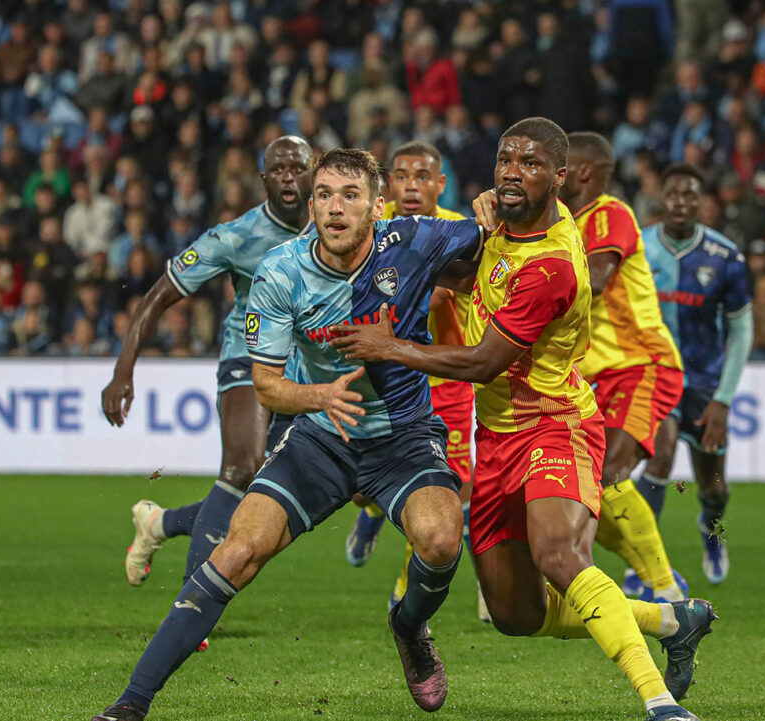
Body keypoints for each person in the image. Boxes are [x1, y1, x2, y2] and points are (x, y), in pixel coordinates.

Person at [331, 118, 711, 721]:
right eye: (506, 159)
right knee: (515, 616)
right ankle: (669, 619)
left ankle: (659, 703)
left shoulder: (554, 264)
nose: (512, 170)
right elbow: (461, 277)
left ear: (560, 178)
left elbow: (484, 363)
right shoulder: (503, 222)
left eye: (531, 164)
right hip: (497, 438)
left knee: (560, 555)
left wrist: (390, 346)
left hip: (555, 423)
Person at [91, 148, 481, 720]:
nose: (334, 207)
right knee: (238, 551)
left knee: (442, 539)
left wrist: (493, 209)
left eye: (350, 195)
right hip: (320, 435)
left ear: (378, 205)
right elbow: (268, 388)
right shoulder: (281, 269)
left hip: (402, 433)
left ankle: (409, 624)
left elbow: (491, 237)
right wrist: (319, 397)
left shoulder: (417, 238)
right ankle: (130, 704)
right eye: (324, 195)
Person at [101, 136, 313, 595]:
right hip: (248, 357)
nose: (289, 179)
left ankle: (159, 523)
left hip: (306, 371)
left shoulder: (332, 227)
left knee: (271, 498)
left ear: (313, 171)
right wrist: (123, 370)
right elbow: (159, 294)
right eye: (278, 170)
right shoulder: (236, 236)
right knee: (241, 468)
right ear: (263, 179)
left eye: (297, 168)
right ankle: (193, 602)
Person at [342, 140, 489, 622]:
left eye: (422, 177)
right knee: (363, 485)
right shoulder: (376, 231)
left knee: (449, 489)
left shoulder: (453, 234)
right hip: (384, 375)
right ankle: (368, 513)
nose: (411, 186)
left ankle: (409, 590)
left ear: (439, 184)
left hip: (444, 381)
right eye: (401, 176)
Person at [561, 132, 688, 603]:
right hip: (593, 378)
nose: (553, 174)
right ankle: (653, 572)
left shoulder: (608, 213)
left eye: (562, 165)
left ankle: (667, 591)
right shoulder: (560, 223)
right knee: (587, 492)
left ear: (586, 173)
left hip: (640, 364)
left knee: (610, 473)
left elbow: (593, 280)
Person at [638, 164, 753, 585]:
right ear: (661, 200)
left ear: (701, 203)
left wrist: (724, 398)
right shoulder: (640, 249)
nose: (681, 203)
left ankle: (712, 529)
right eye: (674, 194)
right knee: (661, 453)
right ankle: (644, 563)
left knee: (714, 489)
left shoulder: (726, 257)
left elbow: (742, 329)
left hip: (706, 384)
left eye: (690, 195)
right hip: (657, 378)